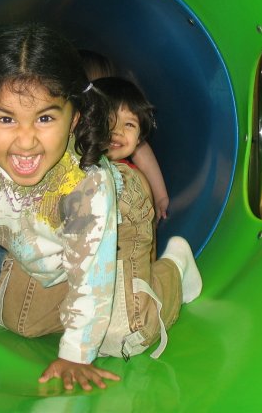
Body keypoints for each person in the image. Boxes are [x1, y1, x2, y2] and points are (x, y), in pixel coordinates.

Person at [0, 22, 200, 391]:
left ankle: (174, 269)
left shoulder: (87, 183)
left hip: (122, 214)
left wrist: (76, 353)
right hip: (44, 239)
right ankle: (81, 296)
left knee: (124, 335)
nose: (26, 141)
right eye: (5, 118)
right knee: (16, 321)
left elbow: (92, 271)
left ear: (74, 119)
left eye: (45, 118)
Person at [91, 76, 202, 360]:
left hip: (130, 252)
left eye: (129, 125)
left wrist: (161, 196)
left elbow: (144, 239)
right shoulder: (79, 164)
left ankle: (172, 266)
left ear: (139, 135)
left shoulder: (132, 181)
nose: (117, 131)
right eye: (108, 120)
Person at [78, 49, 171, 221]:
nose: (116, 129)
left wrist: (160, 197)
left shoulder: (130, 160)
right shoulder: (69, 123)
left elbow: (142, 152)